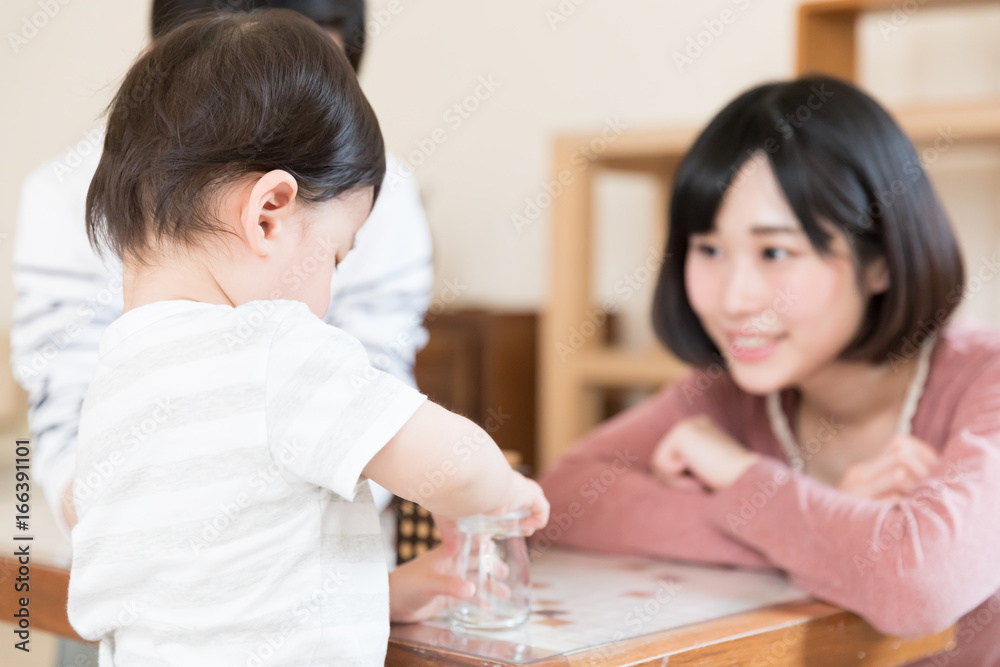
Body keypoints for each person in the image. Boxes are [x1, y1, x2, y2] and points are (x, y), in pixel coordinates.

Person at [64, 9, 549, 666]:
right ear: (269, 216)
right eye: (337, 256)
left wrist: (379, 593)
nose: (331, 287)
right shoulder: (275, 347)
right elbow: (450, 460)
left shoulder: (115, 378)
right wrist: (500, 492)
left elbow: (216, 586)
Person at [537, 75, 1000, 666]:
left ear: (879, 261)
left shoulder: (985, 380)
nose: (735, 298)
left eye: (776, 252)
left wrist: (740, 477)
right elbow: (566, 497)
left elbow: (919, 585)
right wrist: (831, 520)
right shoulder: (731, 393)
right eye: (709, 249)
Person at [10, 0, 430, 550]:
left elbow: (382, 392)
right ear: (150, 71)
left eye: (313, 99)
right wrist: (145, 534)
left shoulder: (377, 194)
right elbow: (63, 417)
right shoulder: (63, 195)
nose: (279, 145)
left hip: (320, 544)